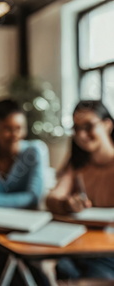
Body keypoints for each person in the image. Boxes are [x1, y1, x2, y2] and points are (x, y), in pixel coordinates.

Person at [46, 100, 114, 280]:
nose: (82, 135)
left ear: (108, 125)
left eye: (89, 126)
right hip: (81, 249)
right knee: (55, 269)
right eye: (76, 129)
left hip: (108, 252)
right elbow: (52, 198)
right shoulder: (77, 164)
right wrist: (66, 204)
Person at [0, 98, 49, 209]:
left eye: (19, 128)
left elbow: (33, 198)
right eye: (7, 129)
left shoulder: (36, 151)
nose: (15, 135)